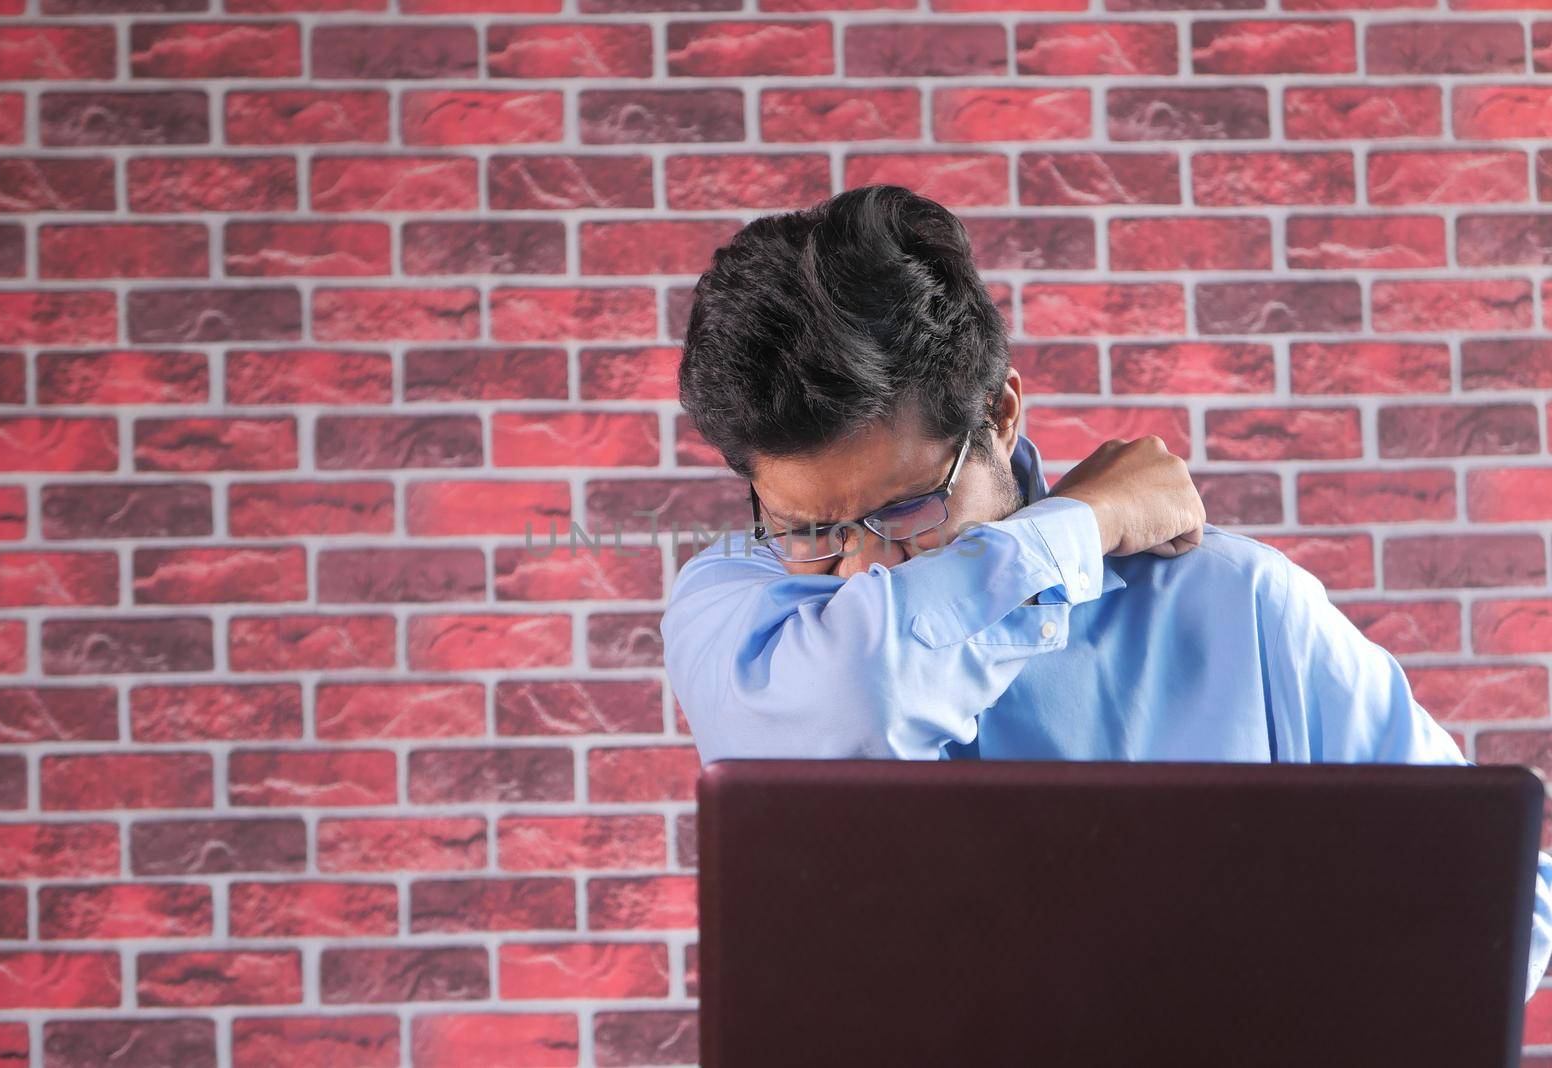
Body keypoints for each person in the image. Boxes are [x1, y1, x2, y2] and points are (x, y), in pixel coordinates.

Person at [659, 183, 1552, 1001]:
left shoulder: (1237, 607)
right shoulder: (741, 605)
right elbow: (860, 703)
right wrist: (1078, 524)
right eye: (810, 527)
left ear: (1002, 415)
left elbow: (1507, 902)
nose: (859, 570)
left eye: (905, 508)